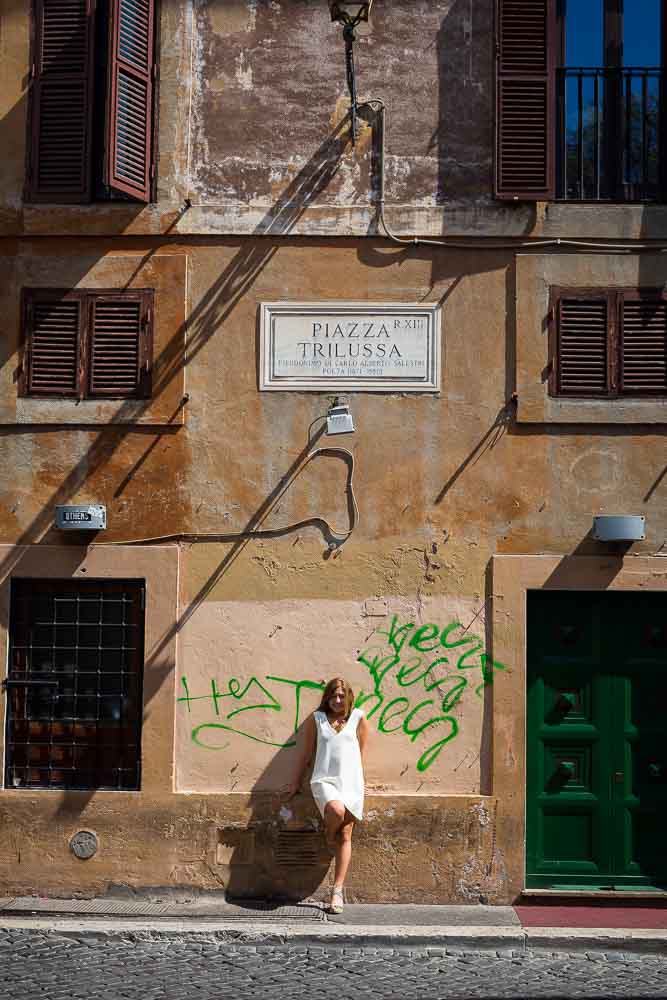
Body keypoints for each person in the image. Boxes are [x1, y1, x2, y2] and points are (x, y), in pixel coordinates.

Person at [285, 677, 368, 913]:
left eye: (342, 696)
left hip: (351, 783)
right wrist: (294, 781)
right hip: (324, 781)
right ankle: (327, 833)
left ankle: (337, 891)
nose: (337, 700)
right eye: (333, 696)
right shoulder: (317, 719)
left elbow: (359, 754)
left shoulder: (358, 718)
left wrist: (363, 782)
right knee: (335, 811)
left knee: (346, 834)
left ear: (349, 697)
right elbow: (307, 753)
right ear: (327, 698)